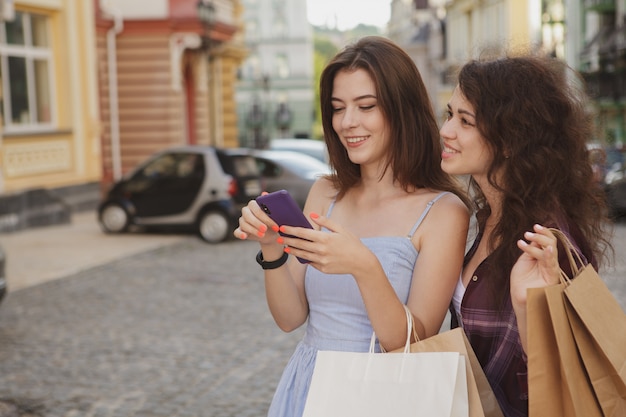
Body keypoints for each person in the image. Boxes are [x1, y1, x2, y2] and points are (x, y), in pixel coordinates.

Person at [235, 36, 471, 417]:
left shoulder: (444, 211)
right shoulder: (324, 192)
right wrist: (271, 248)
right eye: (337, 108)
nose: (348, 122)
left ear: (402, 110)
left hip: (384, 395)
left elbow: (413, 340)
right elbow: (290, 318)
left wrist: (364, 266)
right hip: (308, 386)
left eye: (366, 106)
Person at [440, 53, 613, 417]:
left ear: (509, 140)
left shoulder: (543, 239)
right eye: (449, 114)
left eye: (465, 120)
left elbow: (561, 373)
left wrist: (526, 307)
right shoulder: (489, 217)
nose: (446, 130)